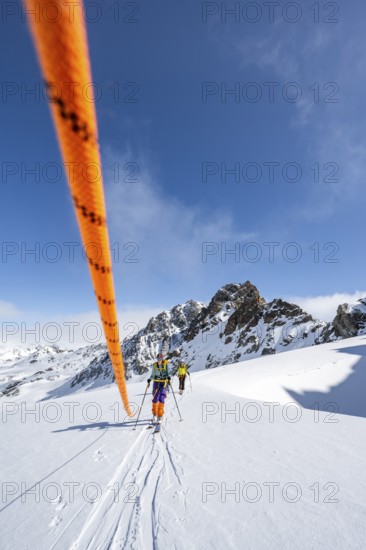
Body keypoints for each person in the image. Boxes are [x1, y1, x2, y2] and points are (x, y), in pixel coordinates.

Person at [147, 353, 171, 424]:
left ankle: (160, 415)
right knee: (155, 398)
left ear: (162, 359)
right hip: (156, 382)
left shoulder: (165, 364)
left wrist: (168, 377)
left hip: (163, 382)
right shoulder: (155, 365)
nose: (159, 360)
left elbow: (168, 372)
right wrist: (150, 379)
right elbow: (152, 374)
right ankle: (154, 414)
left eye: (160, 359)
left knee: (161, 398)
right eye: (158, 359)